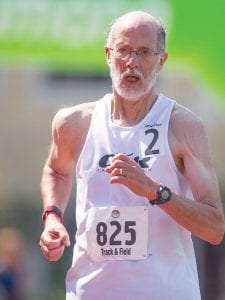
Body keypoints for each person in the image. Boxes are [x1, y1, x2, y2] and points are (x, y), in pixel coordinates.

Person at [39, 10, 225, 300]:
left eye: (144, 52)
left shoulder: (183, 127)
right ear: (108, 55)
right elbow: (57, 170)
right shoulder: (73, 124)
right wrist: (53, 217)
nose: (132, 63)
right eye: (124, 50)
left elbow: (214, 227)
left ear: (161, 61)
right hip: (90, 293)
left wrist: (154, 191)